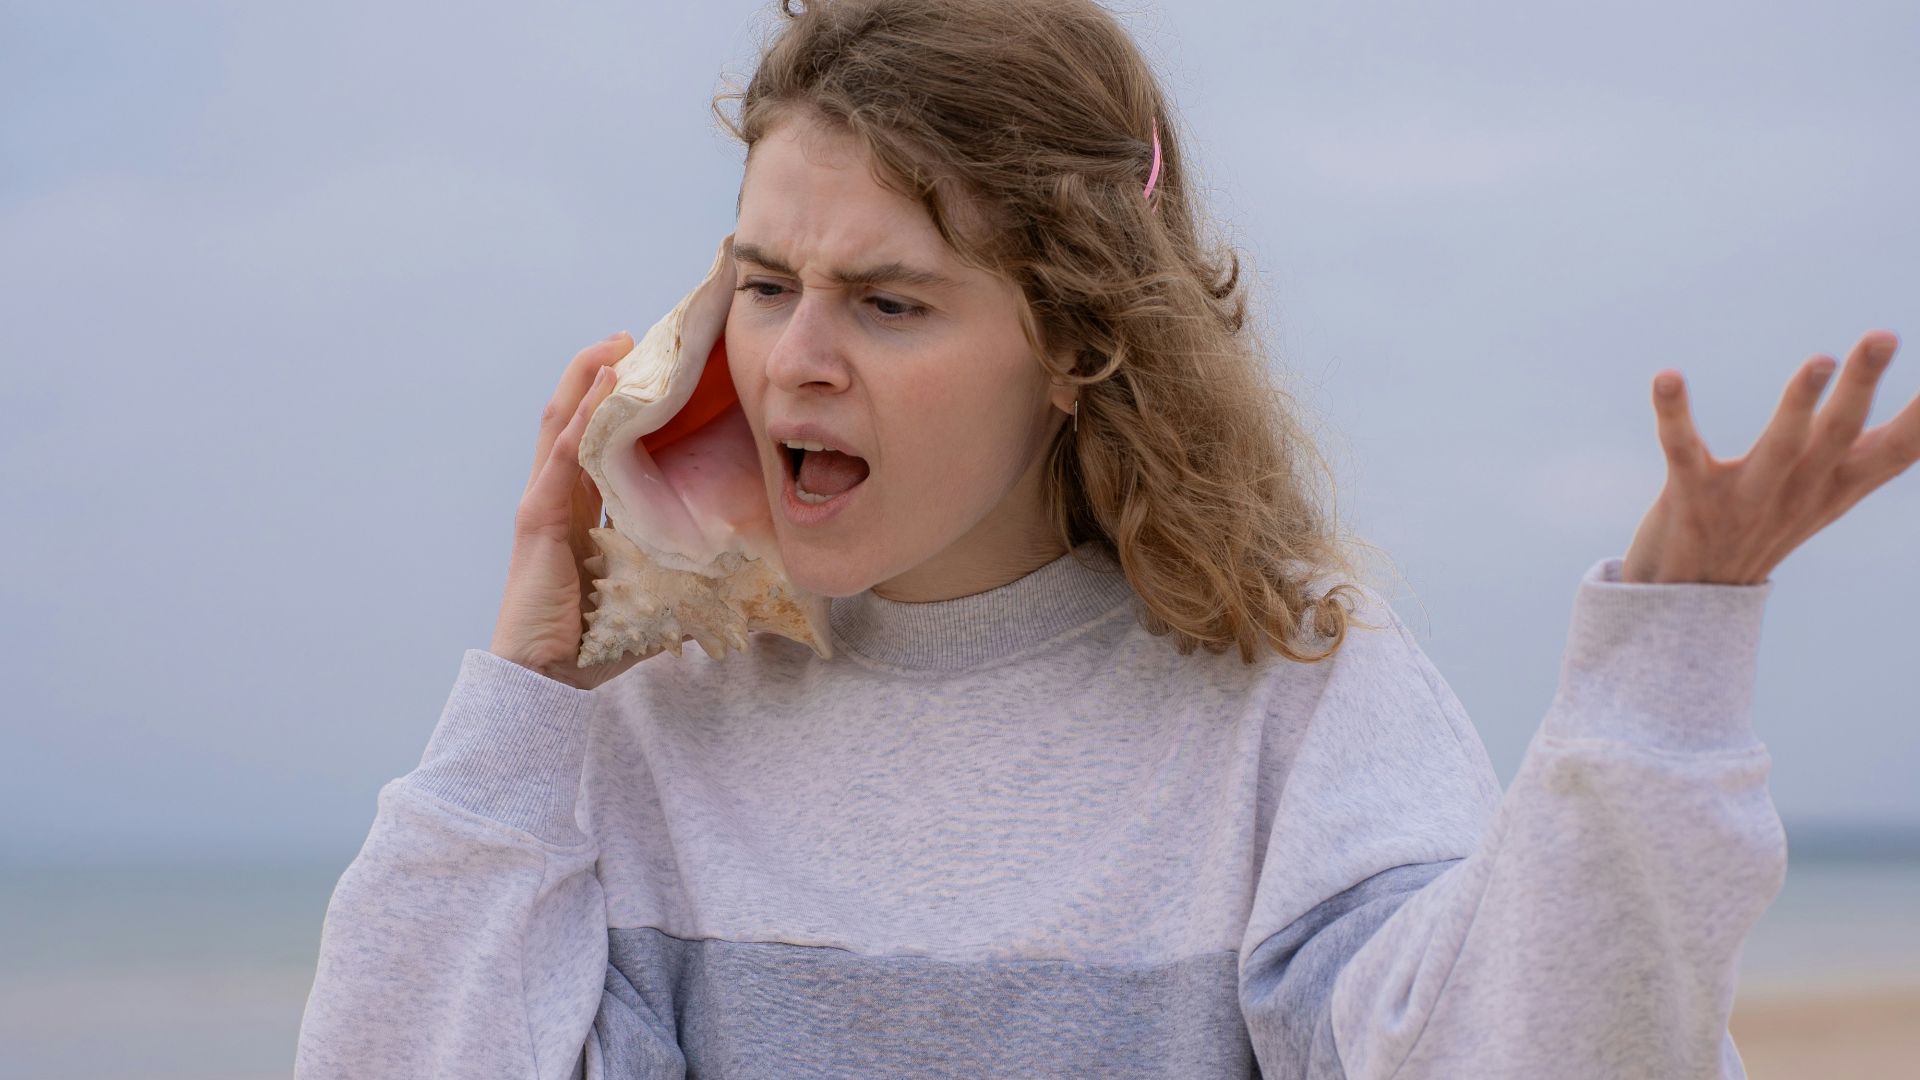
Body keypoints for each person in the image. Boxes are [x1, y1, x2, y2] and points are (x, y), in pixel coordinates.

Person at [293, 1, 1915, 1077]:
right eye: (768, 284)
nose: (795, 360)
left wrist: (1661, 672)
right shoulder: (650, 722)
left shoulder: (1289, 685)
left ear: (1077, 342)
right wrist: (517, 710)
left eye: (890, 301)